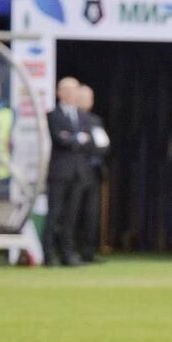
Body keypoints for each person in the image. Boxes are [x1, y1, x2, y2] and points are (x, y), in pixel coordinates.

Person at [43, 77, 93, 266]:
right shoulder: (53, 115)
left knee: (71, 216)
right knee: (54, 213)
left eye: (75, 90)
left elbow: (89, 142)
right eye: (68, 90)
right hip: (59, 172)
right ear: (59, 92)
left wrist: (73, 138)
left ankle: (67, 253)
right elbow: (60, 139)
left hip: (78, 173)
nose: (72, 94)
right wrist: (76, 139)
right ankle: (48, 254)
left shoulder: (83, 116)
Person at [74, 85, 110, 263]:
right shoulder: (74, 120)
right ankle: (71, 250)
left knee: (91, 212)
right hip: (76, 172)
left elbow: (103, 145)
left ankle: (88, 251)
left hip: (93, 172)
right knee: (74, 212)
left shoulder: (95, 120)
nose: (89, 101)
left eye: (91, 97)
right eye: (85, 97)